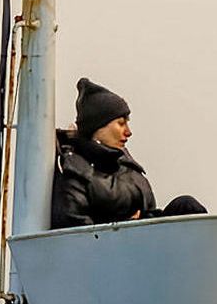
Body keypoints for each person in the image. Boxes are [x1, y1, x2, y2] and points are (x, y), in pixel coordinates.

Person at [50, 78, 207, 230]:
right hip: (109, 249)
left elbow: (147, 212)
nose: (128, 132)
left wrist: (144, 219)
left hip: (140, 242)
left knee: (186, 206)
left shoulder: (128, 167)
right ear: (98, 126)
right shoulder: (74, 170)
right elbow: (75, 230)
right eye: (121, 123)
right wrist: (121, 226)